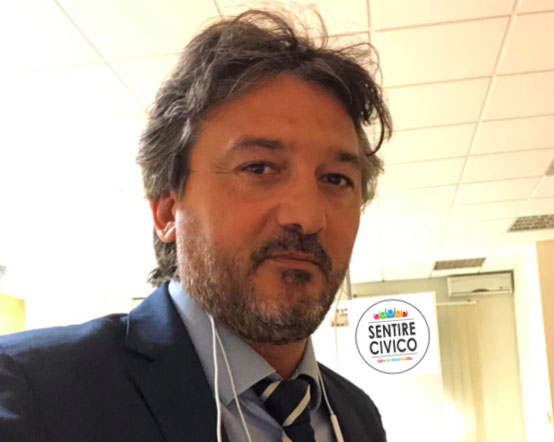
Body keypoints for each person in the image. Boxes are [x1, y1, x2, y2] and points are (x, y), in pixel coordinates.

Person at [0, 10, 391, 442]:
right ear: (168, 211)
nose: (308, 216)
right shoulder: (33, 392)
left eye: (336, 179)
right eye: (259, 168)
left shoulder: (357, 415)